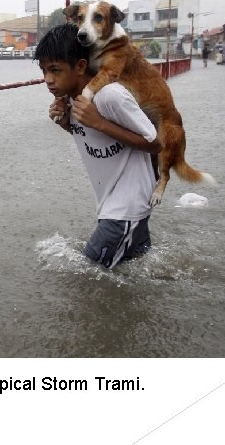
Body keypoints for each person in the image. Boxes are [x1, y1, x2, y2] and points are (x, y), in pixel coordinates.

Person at [35, 24, 161, 270]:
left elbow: (155, 143)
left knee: (86, 277)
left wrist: (100, 122)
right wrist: (66, 123)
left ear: (80, 66)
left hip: (126, 208)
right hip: (116, 204)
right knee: (139, 273)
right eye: (44, 71)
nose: (48, 79)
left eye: (55, 70)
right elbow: (92, 136)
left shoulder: (111, 96)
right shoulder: (73, 97)